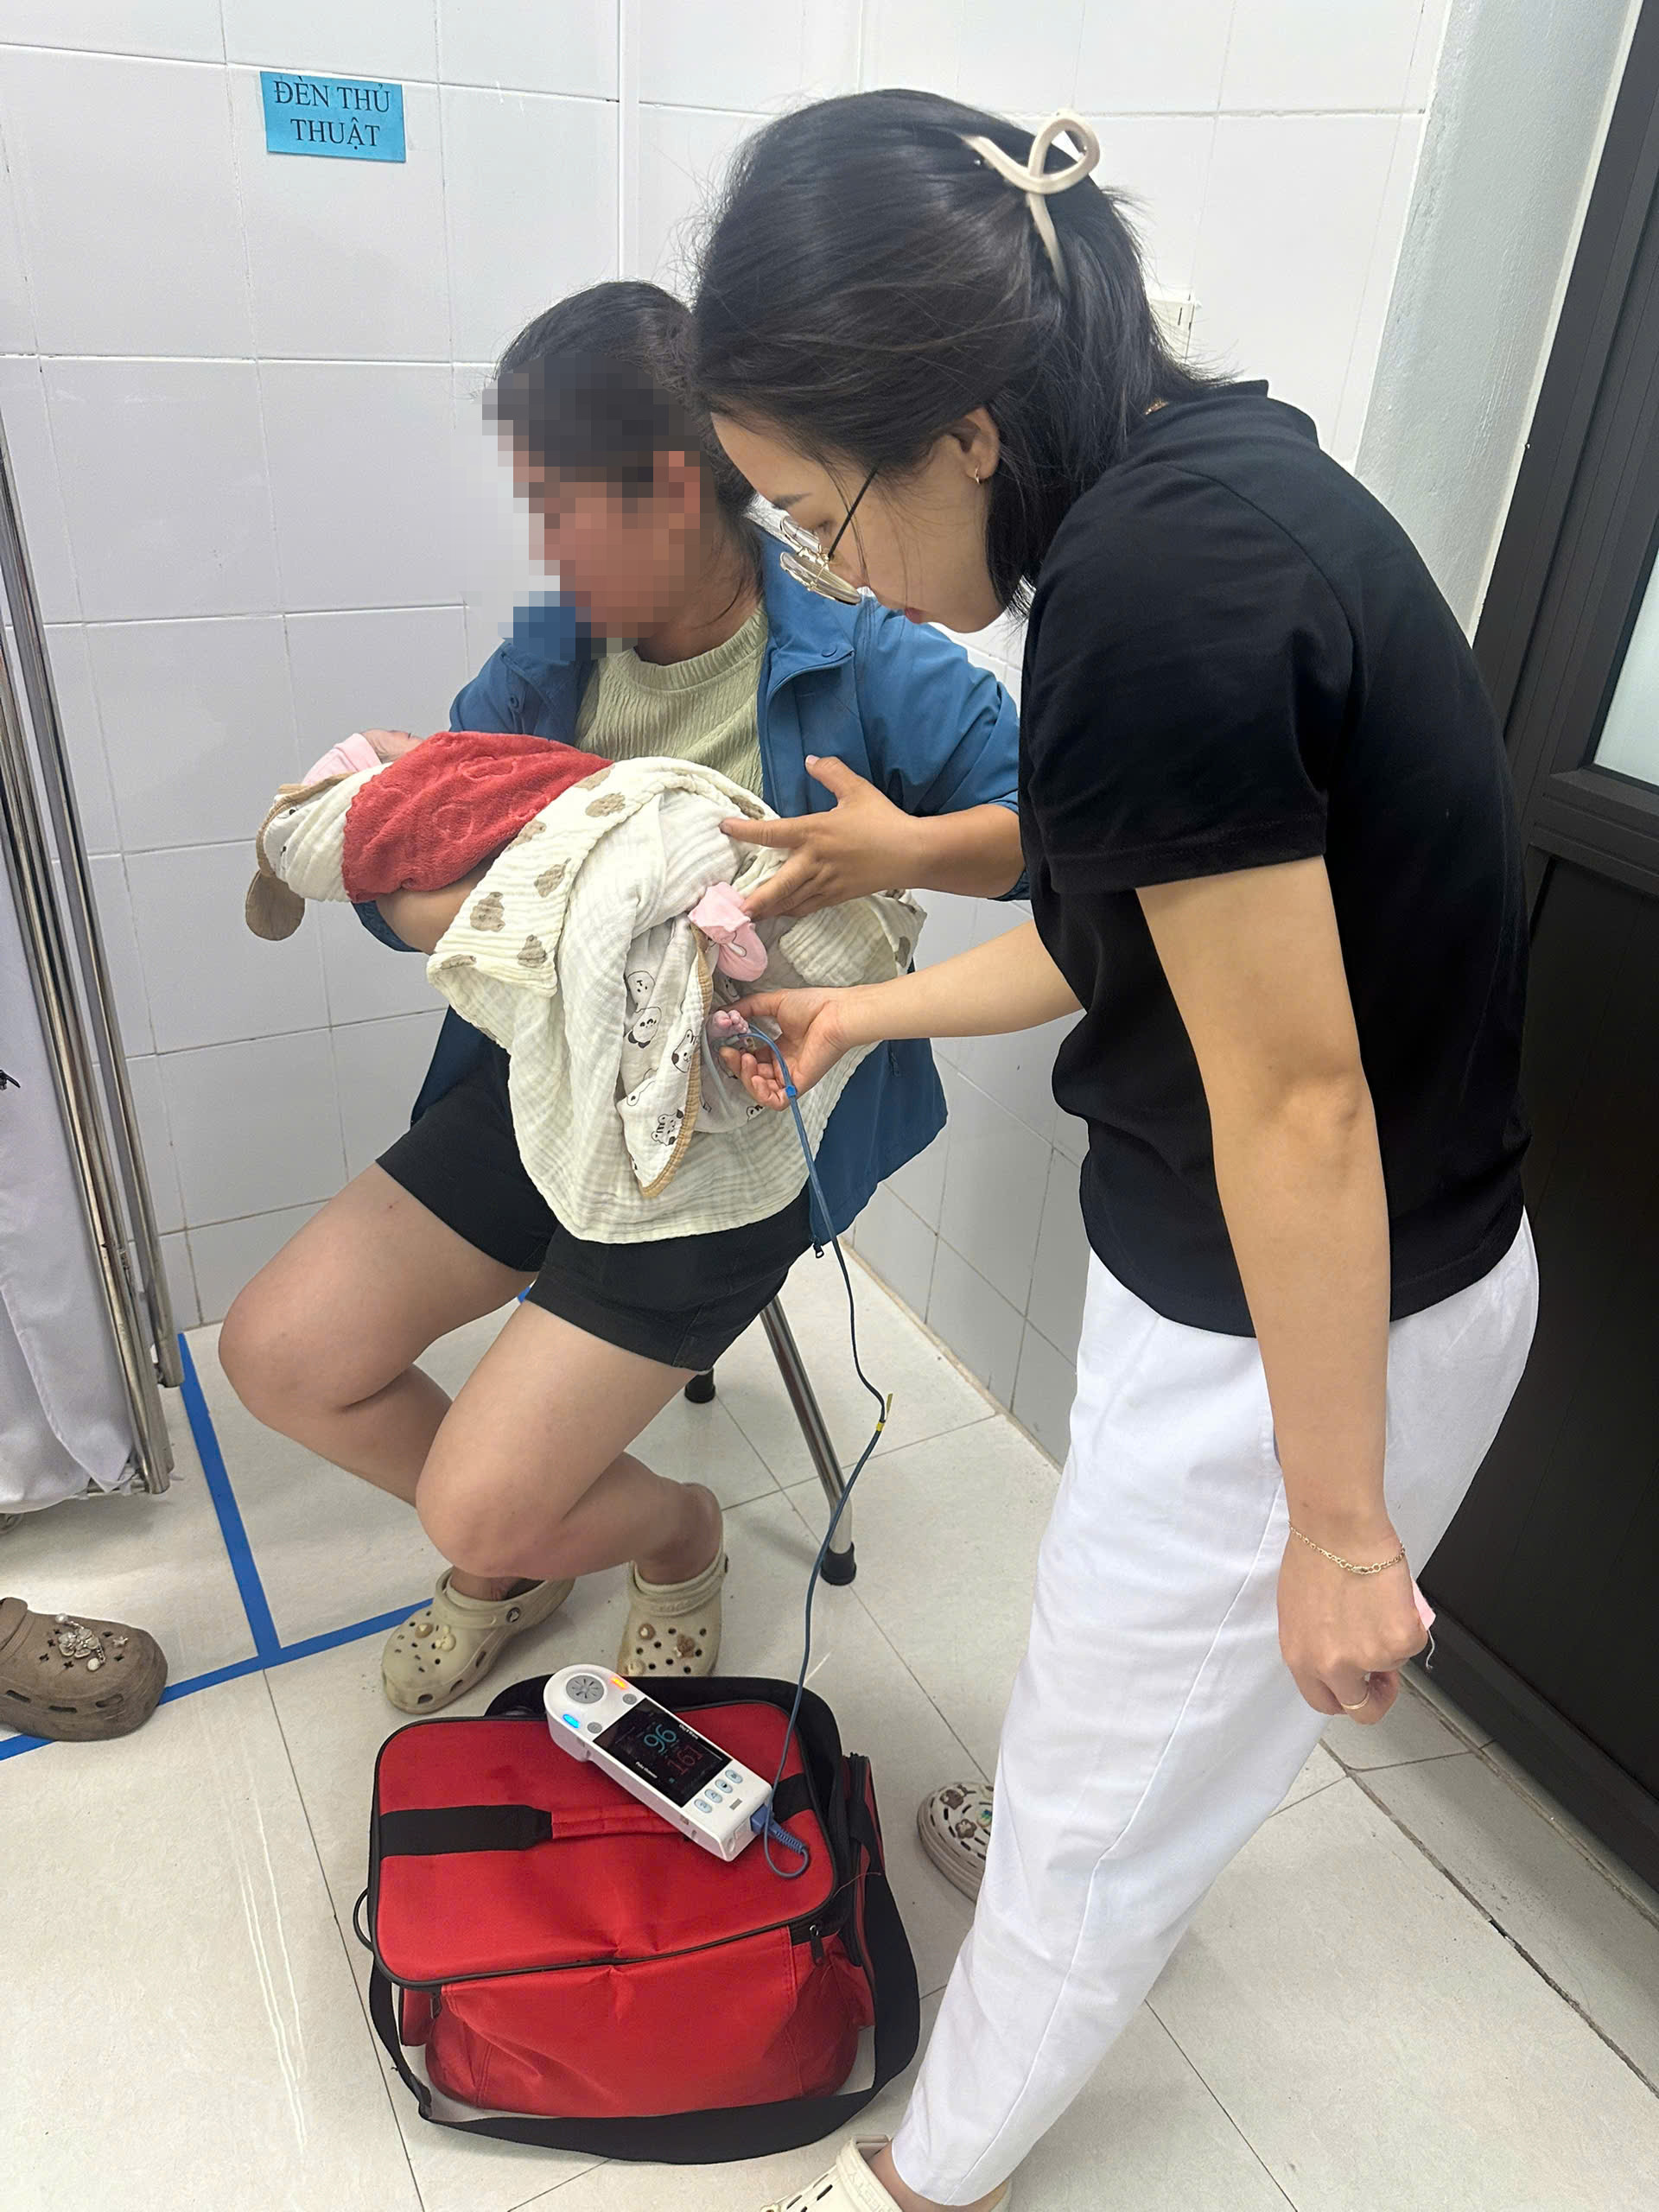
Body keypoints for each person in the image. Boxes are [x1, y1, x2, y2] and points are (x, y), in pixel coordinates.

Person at [691, 95, 1537, 2212]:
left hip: (1304, 1326)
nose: (841, 574)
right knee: (1115, 1712)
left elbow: (1296, 1098)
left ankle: (930, 2174)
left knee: (1092, 1808)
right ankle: (1106, 1805)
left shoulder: (1153, 595)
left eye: (818, 511)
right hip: (1287, 1283)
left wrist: (1340, 1525)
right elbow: (1150, 890)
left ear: (962, 429)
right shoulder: (1197, 478)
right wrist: (895, 916)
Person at [219, 281, 1021, 1712]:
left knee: (472, 1507)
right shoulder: (560, 645)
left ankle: (673, 1536)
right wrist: (454, 880)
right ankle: (531, 1535)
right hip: (550, 1084)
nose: (545, 550)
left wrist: (896, 852)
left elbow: (1063, 836)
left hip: (737, 1131)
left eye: (560, 508)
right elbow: (417, 874)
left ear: (670, 490)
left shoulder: (866, 657)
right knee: (279, 1355)